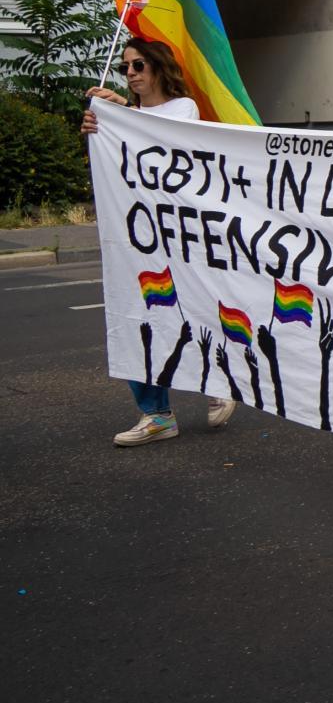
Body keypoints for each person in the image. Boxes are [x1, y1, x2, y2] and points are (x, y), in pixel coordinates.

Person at [83, 39, 235, 445]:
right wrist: (99, 130)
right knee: (134, 315)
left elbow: (164, 144)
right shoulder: (124, 117)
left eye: (139, 64)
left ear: (158, 67)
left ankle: (220, 380)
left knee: (192, 310)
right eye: (126, 66)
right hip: (137, 235)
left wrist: (119, 114)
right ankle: (156, 414)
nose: (131, 72)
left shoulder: (183, 108)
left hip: (178, 234)